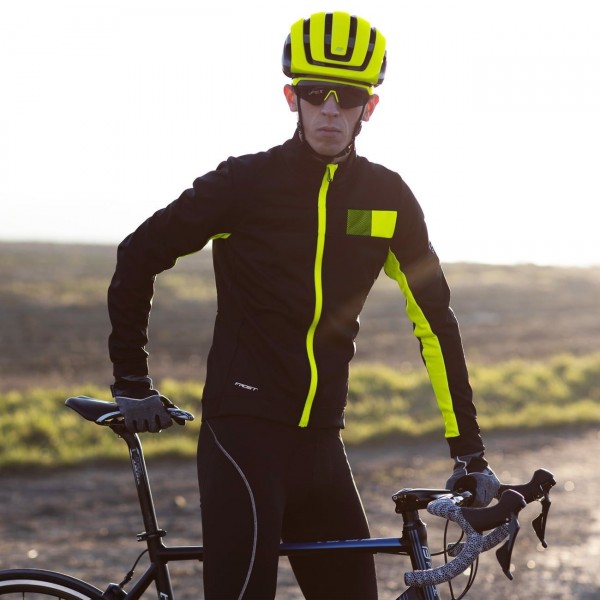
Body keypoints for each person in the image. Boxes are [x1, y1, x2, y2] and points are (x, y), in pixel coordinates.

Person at [107, 11, 500, 599]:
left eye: (348, 97)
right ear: (292, 98)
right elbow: (138, 255)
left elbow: (435, 321)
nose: (330, 111)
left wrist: (468, 450)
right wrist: (131, 379)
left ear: (369, 107)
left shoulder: (387, 198)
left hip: (321, 439)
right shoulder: (244, 184)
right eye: (316, 94)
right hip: (243, 434)